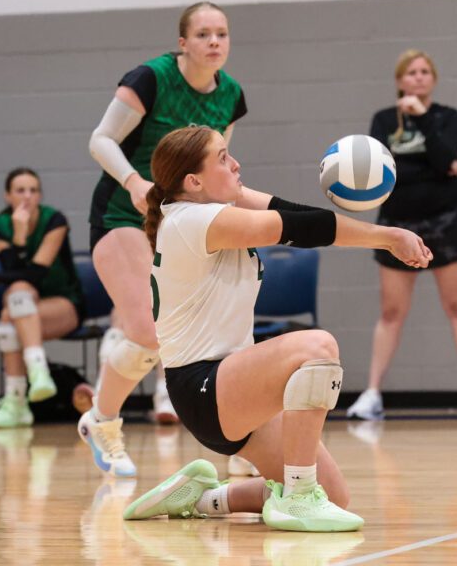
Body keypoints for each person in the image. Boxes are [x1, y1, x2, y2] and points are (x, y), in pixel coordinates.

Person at [119, 126, 431, 532]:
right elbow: (302, 231)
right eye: (223, 158)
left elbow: (299, 215)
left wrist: (388, 236)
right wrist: (387, 237)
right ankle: (298, 498)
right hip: (205, 387)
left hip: (234, 386)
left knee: (336, 496)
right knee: (317, 346)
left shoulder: (214, 204)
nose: (236, 165)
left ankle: (203, 497)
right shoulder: (195, 219)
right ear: (193, 182)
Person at [80, 1, 248, 477]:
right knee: (148, 333)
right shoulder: (150, 79)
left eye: (222, 34)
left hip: (184, 223)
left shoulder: (232, 95)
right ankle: (102, 419)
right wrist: (135, 184)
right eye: (203, 34)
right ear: (183, 43)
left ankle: (241, 444)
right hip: (123, 215)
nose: (214, 42)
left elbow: (216, 164)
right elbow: (100, 140)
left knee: (215, 333)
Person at [347, 49, 457, 422]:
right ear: (399, 81)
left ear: (433, 79)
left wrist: (425, 121)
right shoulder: (383, 120)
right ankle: (373, 392)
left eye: (424, 71)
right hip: (398, 221)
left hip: (446, 220)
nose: (418, 77)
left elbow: (447, 158)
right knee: (392, 311)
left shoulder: (447, 117)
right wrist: (435, 168)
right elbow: (383, 173)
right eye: (410, 72)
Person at [0, 167, 85, 428]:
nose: (27, 196)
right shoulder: (0, 224)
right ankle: (33, 383)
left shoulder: (55, 220)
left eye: (33, 190)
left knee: (10, 312)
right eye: (20, 190)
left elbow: (36, 273)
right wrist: (19, 235)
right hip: (25, 304)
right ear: (7, 196)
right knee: (16, 294)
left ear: (40, 195)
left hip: (64, 304)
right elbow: (16, 272)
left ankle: (19, 399)